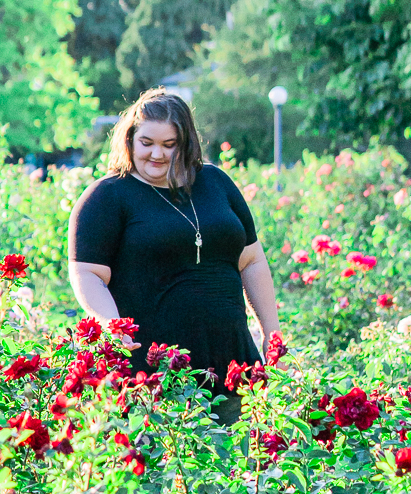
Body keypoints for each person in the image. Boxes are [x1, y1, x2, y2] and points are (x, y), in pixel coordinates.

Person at [66, 88, 280, 422]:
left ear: (186, 144)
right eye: (147, 143)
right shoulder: (108, 197)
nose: (157, 154)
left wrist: (272, 331)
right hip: (154, 379)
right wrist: (112, 325)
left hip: (233, 369)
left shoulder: (216, 183)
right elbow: (88, 274)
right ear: (130, 140)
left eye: (170, 145)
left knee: (238, 470)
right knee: (166, 470)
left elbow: (251, 260)